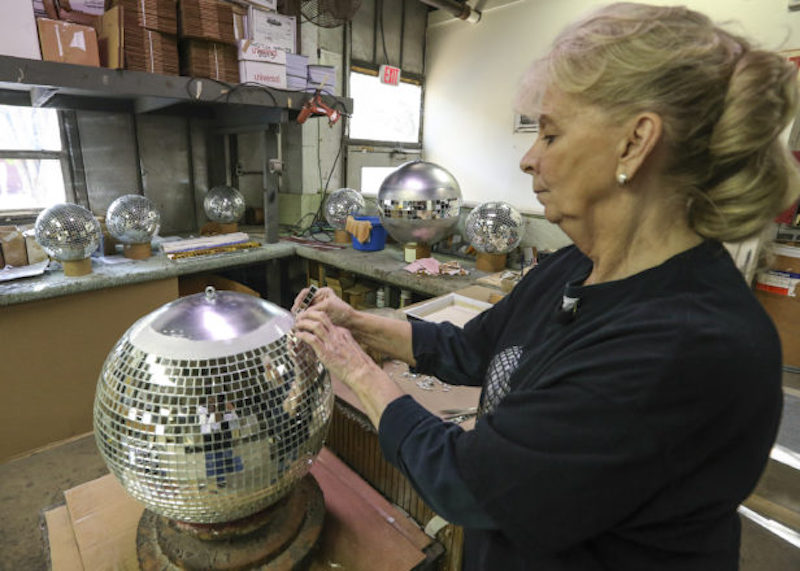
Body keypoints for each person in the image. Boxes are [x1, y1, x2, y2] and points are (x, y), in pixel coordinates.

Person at [293, 3, 800, 569]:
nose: (530, 159)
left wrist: (355, 368)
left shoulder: (687, 344)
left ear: (635, 142)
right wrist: (357, 326)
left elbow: (467, 482)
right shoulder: (574, 266)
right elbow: (470, 350)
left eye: (551, 134)